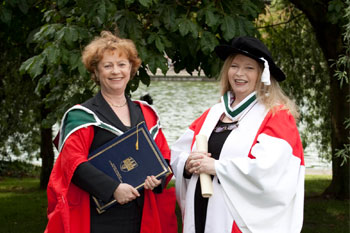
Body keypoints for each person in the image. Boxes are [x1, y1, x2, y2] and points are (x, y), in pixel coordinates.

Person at [45, 31, 177, 233]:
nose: (116, 71)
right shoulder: (81, 116)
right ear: (96, 72)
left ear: (131, 69)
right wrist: (113, 189)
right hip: (98, 217)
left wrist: (156, 181)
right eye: (108, 66)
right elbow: (73, 162)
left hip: (141, 215)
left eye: (122, 64)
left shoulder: (146, 113)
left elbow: (163, 157)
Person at [171, 36, 305, 233]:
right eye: (234, 66)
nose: (239, 73)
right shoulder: (214, 113)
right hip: (200, 210)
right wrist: (188, 164)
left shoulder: (276, 115)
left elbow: (269, 171)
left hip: (236, 220)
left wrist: (216, 167)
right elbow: (177, 152)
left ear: (262, 74)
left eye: (249, 68)